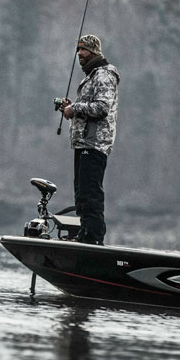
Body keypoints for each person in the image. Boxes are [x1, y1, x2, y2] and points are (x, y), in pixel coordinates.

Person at [59, 34, 120, 245]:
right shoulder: (92, 76)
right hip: (85, 143)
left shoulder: (103, 75)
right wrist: (70, 107)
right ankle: (85, 234)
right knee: (82, 193)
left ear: (93, 51)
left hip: (95, 144)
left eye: (83, 50)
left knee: (90, 193)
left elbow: (102, 108)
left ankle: (92, 238)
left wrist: (74, 108)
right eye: (78, 50)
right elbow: (89, 110)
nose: (79, 55)